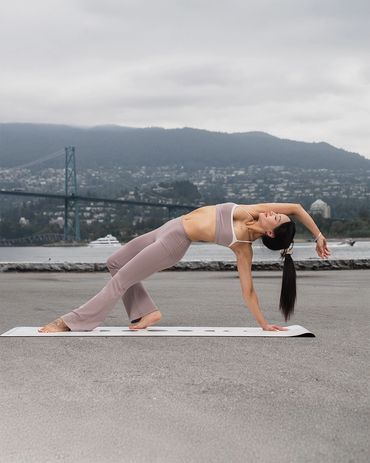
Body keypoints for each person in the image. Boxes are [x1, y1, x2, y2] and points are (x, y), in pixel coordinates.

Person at [38, 202, 330, 333]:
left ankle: (74, 322)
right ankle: (146, 311)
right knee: (114, 262)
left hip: (175, 242)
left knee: (121, 280)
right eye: (277, 213)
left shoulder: (242, 246)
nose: (274, 212)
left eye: (275, 218)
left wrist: (264, 324)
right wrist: (317, 235)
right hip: (168, 227)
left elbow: (248, 289)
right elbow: (295, 207)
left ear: (269, 233)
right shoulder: (252, 210)